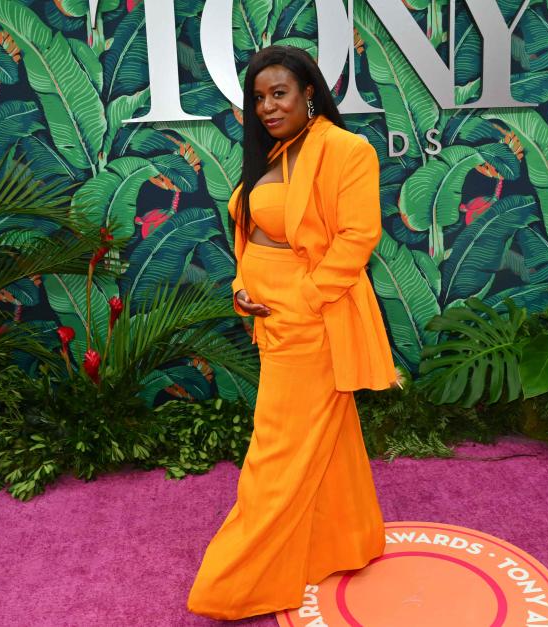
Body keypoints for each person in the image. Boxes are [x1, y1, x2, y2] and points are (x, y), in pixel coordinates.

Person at [186, 45, 398, 621]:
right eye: (258, 98)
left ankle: (236, 584)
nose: (267, 106)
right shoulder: (276, 151)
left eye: (279, 93)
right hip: (269, 317)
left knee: (275, 451)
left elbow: (357, 238)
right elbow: (254, 232)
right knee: (326, 438)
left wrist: (303, 299)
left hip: (312, 319)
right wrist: (240, 285)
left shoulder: (346, 150)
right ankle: (345, 542)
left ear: (310, 93)